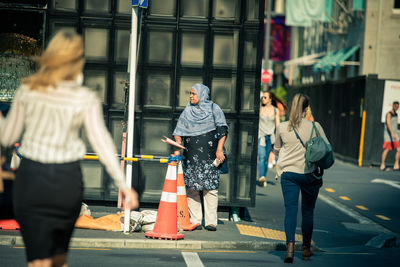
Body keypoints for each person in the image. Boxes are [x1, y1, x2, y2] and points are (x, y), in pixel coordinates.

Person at [0, 31, 139, 267]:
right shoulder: (84, 98)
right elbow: (102, 142)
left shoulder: (28, 91)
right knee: (58, 258)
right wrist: (123, 184)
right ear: (77, 60)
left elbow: (7, 136)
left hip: (32, 177)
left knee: (37, 260)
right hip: (66, 181)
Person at [274, 93, 330, 263]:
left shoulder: (282, 127)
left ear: (291, 108)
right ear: (307, 109)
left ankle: (290, 247)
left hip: (288, 174)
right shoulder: (315, 127)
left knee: (290, 210)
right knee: (308, 212)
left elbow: (277, 148)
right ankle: (306, 248)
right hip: (309, 174)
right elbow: (327, 148)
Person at [173, 83, 228, 231]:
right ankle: (196, 220)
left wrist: (219, 149)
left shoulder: (213, 108)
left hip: (210, 156)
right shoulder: (187, 111)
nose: (191, 96)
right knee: (192, 188)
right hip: (191, 157)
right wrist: (178, 142)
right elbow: (179, 131)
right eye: (190, 93)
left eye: (193, 93)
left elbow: (222, 130)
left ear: (202, 94)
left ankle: (211, 221)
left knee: (210, 189)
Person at [258, 91, 280, 187]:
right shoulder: (259, 109)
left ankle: (264, 177)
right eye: (262, 97)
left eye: (265, 97)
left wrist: (279, 138)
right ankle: (262, 176)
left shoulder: (275, 110)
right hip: (261, 136)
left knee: (266, 159)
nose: (263, 99)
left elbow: (278, 125)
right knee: (262, 157)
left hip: (270, 137)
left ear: (270, 99)